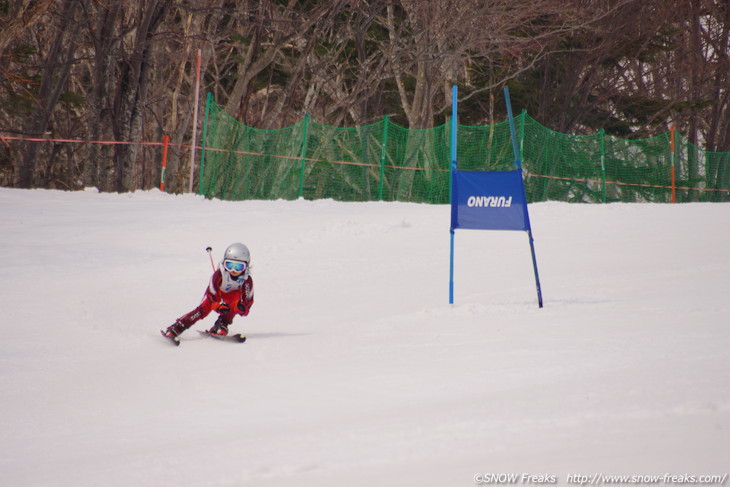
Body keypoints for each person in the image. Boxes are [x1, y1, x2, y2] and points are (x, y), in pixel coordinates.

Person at [163, 242, 254, 339]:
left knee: (235, 303)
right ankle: (178, 326)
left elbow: (248, 302)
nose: (233, 270)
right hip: (215, 295)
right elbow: (211, 296)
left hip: (231, 296)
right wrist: (218, 306)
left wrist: (241, 308)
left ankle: (222, 323)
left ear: (246, 266)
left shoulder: (246, 280)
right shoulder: (219, 276)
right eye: (230, 265)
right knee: (203, 310)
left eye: (239, 267)